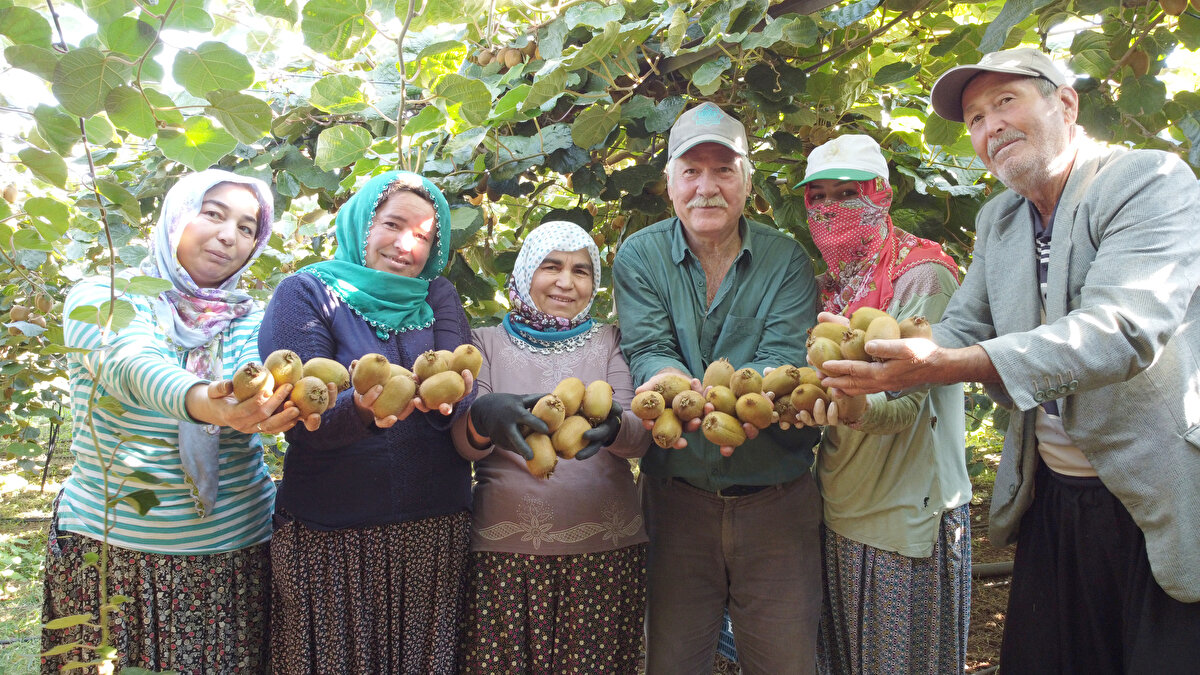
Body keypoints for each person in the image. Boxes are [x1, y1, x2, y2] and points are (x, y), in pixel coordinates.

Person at [820, 48, 1200, 672]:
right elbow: (960, 327)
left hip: (1155, 486)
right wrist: (870, 353)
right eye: (973, 118)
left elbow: (1123, 328)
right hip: (1055, 492)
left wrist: (947, 363)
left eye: (1005, 102)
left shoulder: (1147, 181)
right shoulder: (1001, 219)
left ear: (1066, 103)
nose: (989, 127)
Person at [42, 170, 310, 674]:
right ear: (174, 216)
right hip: (114, 556)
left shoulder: (257, 322)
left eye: (248, 227)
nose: (230, 235)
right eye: (213, 213)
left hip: (234, 558)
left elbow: (287, 382)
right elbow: (128, 363)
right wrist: (207, 402)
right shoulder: (106, 295)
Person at [613, 102, 824, 674]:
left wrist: (734, 404)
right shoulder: (640, 255)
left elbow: (780, 364)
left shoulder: (785, 260)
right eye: (692, 171)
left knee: (785, 662)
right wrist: (668, 382)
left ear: (748, 181)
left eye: (724, 170)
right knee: (672, 662)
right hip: (675, 503)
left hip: (776, 502)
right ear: (670, 183)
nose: (707, 187)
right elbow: (647, 346)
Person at [259, 170, 476, 673]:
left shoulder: (436, 294)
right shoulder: (306, 292)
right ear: (363, 224)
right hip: (331, 533)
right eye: (393, 225)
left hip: (433, 527)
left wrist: (455, 404)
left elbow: (458, 387)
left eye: (424, 236)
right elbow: (303, 413)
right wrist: (358, 410)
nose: (406, 246)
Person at [791, 134, 972, 674]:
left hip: (905, 517)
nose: (830, 210)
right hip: (841, 502)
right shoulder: (831, 286)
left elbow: (902, 408)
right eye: (817, 197)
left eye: (847, 193)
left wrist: (848, 403)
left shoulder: (921, 275)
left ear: (883, 194)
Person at [451, 220, 652, 673]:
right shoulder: (482, 344)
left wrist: (617, 425)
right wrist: (483, 421)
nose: (566, 282)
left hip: (604, 555)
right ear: (525, 272)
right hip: (503, 558)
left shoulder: (610, 341)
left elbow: (641, 439)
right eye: (551, 266)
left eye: (582, 271)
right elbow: (465, 447)